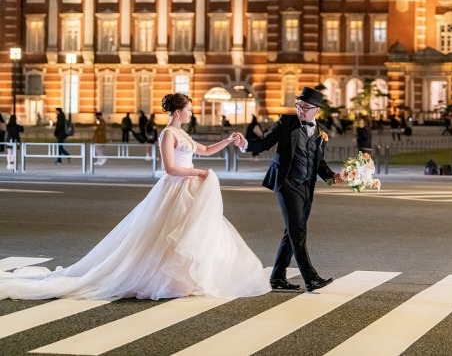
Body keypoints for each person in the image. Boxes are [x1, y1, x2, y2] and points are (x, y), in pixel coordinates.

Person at [0, 93, 267, 301]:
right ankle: (159, 278)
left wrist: (229, 141)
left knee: (184, 234)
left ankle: (179, 279)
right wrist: (198, 173)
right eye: (188, 109)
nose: (191, 112)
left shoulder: (182, 133)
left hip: (188, 189)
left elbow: (206, 150)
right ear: (177, 111)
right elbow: (170, 168)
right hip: (175, 188)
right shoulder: (168, 134)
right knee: (162, 235)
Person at [234, 86, 342, 293]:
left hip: (306, 186)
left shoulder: (322, 131)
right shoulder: (286, 122)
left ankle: (277, 276)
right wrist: (245, 143)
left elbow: (318, 162)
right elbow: (265, 142)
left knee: (292, 231)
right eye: (299, 106)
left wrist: (331, 176)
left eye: (305, 107)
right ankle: (311, 278)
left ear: (316, 110)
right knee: (298, 231)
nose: (300, 110)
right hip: (287, 183)